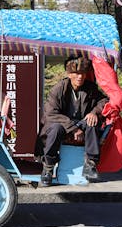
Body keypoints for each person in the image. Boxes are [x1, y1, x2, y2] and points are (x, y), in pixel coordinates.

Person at [39, 55, 108, 186]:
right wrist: (73, 128)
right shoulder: (58, 89)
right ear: (69, 74)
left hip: (81, 123)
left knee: (92, 122)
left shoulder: (90, 87)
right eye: (76, 73)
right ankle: (48, 168)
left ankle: (90, 165)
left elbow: (103, 100)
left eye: (82, 73)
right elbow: (51, 113)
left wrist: (94, 112)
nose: (80, 77)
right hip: (62, 126)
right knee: (55, 129)